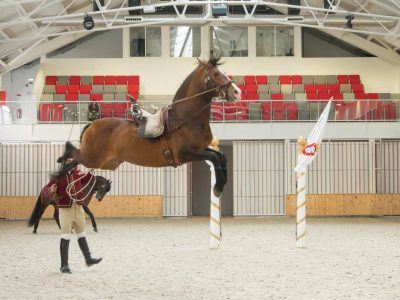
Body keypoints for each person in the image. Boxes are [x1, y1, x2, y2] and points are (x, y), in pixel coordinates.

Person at [43, 158, 102, 273]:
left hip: (78, 208)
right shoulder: (57, 177)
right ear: (64, 162)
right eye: (68, 159)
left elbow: (89, 178)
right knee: (65, 235)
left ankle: (88, 259)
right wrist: (51, 189)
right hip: (65, 210)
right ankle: (64, 265)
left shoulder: (78, 173)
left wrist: (92, 168)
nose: (70, 161)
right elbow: (46, 190)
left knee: (81, 234)